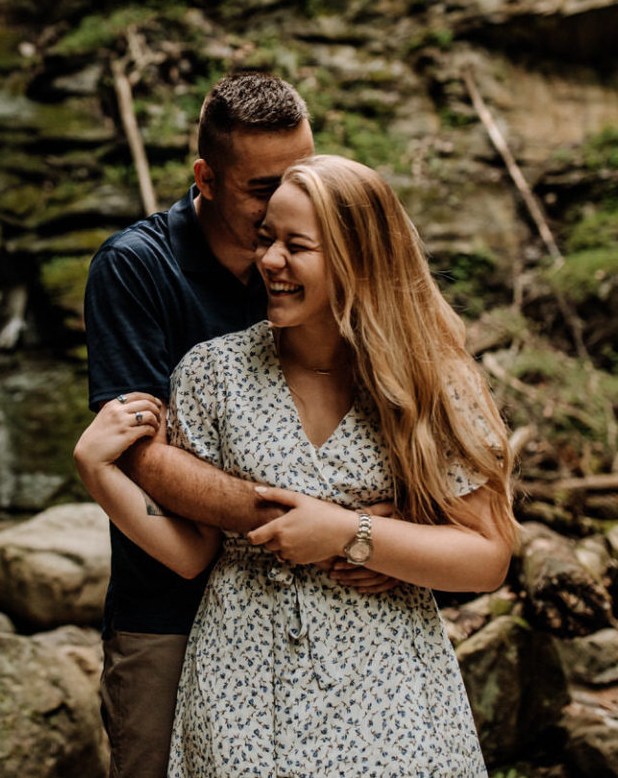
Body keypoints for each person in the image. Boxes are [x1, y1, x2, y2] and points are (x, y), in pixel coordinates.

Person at [77, 154, 519, 777]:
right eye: (265, 240)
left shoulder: (434, 382)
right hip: (240, 681)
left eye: (296, 246)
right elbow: (192, 553)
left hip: (386, 680)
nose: (269, 262)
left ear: (357, 257)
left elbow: (488, 556)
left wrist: (352, 535)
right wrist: (98, 473)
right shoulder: (211, 373)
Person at [76, 73, 392, 778]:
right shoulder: (137, 269)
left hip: (327, 607)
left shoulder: (332, 260)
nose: (285, 200)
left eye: (303, 174)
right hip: (172, 609)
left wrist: (384, 537)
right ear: (206, 179)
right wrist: (328, 525)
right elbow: (144, 457)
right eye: (261, 188)